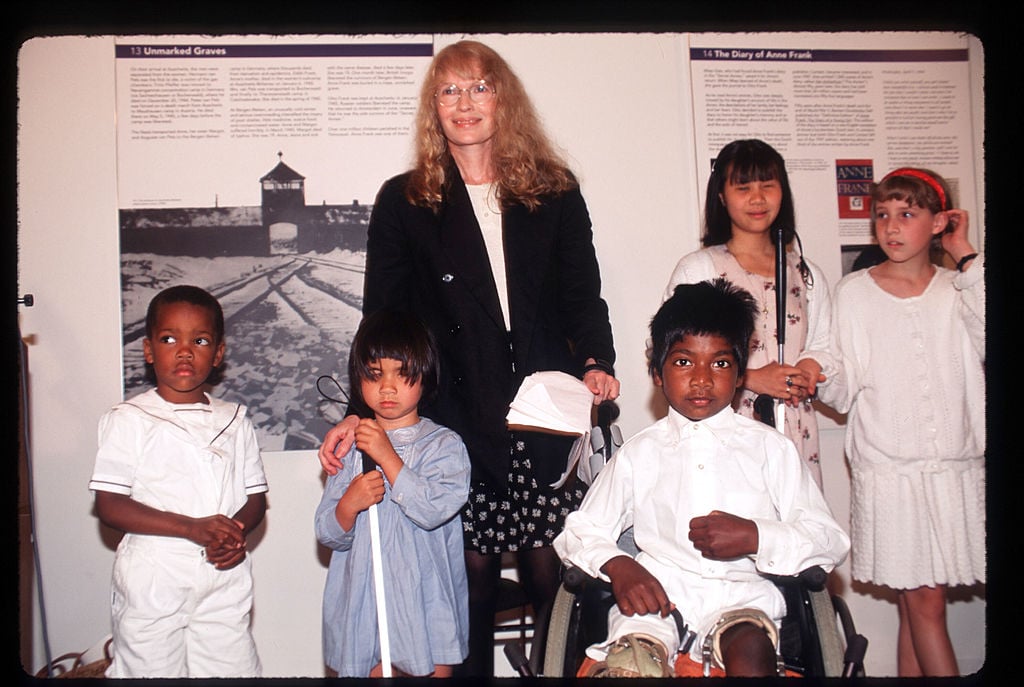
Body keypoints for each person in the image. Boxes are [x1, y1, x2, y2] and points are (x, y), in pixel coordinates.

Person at [317, 40, 619, 676]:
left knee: (551, 581)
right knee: (469, 587)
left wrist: (594, 360)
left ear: (502, 97)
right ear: (434, 107)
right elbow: (383, 321)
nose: (465, 102)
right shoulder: (405, 201)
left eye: (479, 86)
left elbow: (580, 294)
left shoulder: (554, 191)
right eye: (449, 90)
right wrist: (358, 414)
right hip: (456, 417)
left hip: (542, 411)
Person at [554, 279, 850, 678]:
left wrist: (756, 536)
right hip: (655, 603)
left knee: (751, 652)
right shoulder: (640, 453)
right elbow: (579, 531)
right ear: (656, 373)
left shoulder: (770, 449)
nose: (702, 379)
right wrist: (619, 565)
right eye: (683, 362)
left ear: (741, 373)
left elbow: (829, 539)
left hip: (740, 600)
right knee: (631, 667)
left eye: (720, 363)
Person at [815, 168, 984, 677]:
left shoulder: (961, 288)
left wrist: (965, 252)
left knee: (918, 609)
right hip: (890, 475)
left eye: (907, 215)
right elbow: (841, 384)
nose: (891, 227)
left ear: (938, 222)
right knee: (924, 606)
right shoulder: (854, 293)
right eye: (883, 216)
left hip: (951, 472)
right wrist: (816, 373)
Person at [89, 285, 267, 678]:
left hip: (222, 574)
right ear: (149, 349)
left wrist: (232, 535)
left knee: (233, 670)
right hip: (154, 575)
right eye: (170, 339)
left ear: (218, 353)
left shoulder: (235, 420)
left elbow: (255, 499)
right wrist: (191, 527)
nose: (184, 351)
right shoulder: (129, 418)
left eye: (200, 340)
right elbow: (110, 504)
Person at [663, 139, 836, 487]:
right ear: (722, 196)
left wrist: (809, 368)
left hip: (793, 428)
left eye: (767, 186)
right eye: (743, 188)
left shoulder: (806, 272)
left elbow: (825, 344)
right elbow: (668, 351)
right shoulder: (700, 268)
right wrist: (751, 378)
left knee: (793, 528)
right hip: (723, 425)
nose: (757, 199)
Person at [315, 310, 471, 677]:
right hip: (363, 603)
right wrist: (348, 506)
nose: (387, 387)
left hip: (424, 601)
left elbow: (434, 508)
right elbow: (327, 532)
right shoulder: (349, 447)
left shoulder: (444, 445)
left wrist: (387, 456)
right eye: (374, 374)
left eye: (402, 374)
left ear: (425, 377)